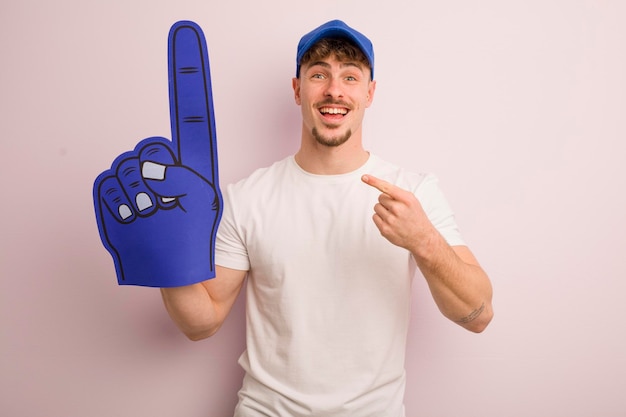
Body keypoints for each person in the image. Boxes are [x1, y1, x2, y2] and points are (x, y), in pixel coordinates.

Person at [160, 19, 493, 417]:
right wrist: (163, 253)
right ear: (298, 89)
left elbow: (479, 315)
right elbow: (202, 322)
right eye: (319, 74)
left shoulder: (413, 192)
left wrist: (424, 241)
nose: (334, 89)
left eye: (350, 76)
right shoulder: (247, 197)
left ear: (369, 93)